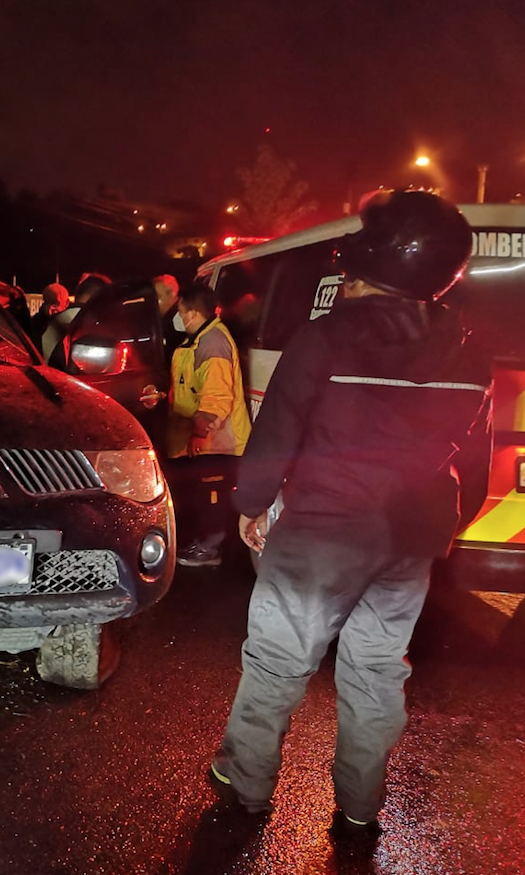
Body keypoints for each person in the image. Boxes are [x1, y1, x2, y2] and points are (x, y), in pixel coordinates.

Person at [210, 191, 493, 832]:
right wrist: (444, 527)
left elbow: (278, 432)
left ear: (372, 254)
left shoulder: (326, 336)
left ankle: (247, 787)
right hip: (410, 538)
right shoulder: (471, 350)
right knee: (375, 673)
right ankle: (361, 808)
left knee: (279, 662)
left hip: (321, 535)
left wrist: (251, 507)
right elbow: (472, 466)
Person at [165, 282, 251, 566]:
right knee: (204, 495)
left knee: (213, 497)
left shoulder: (212, 342)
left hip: (218, 441)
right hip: (206, 440)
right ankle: (203, 543)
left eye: (180, 311)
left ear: (192, 313)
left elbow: (215, 401)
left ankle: (209, 548)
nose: (178, 317)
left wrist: (197, 435)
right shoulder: (199, 340)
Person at [155, 274, 185, 361]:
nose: (154, 301)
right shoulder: (169, 318)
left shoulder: (178, 319)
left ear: (171, 294)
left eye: (157, 296)